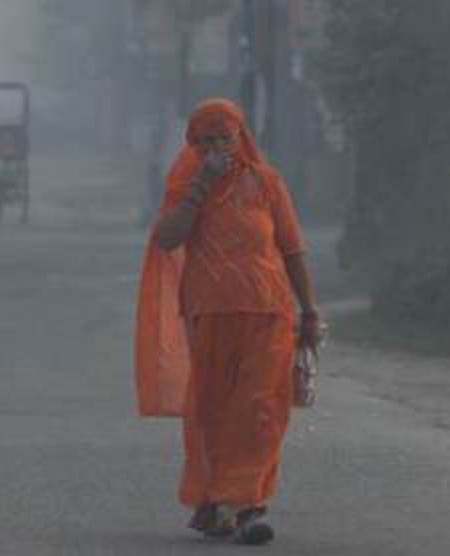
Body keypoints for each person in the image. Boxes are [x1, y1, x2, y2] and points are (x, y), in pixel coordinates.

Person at [134, 98, 324, 545]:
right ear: (194, 146)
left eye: (225, 137)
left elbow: (293, 250)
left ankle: (248, 507)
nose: (218, 147)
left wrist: (310, 309)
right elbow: (166, 237)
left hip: (270, 312)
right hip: (210, 313)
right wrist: (201, 185)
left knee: (261, 409)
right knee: (215, 411)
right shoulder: (187, 186)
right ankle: (218, 501)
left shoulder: (267, 183)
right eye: (206, 141)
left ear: (242, 137)